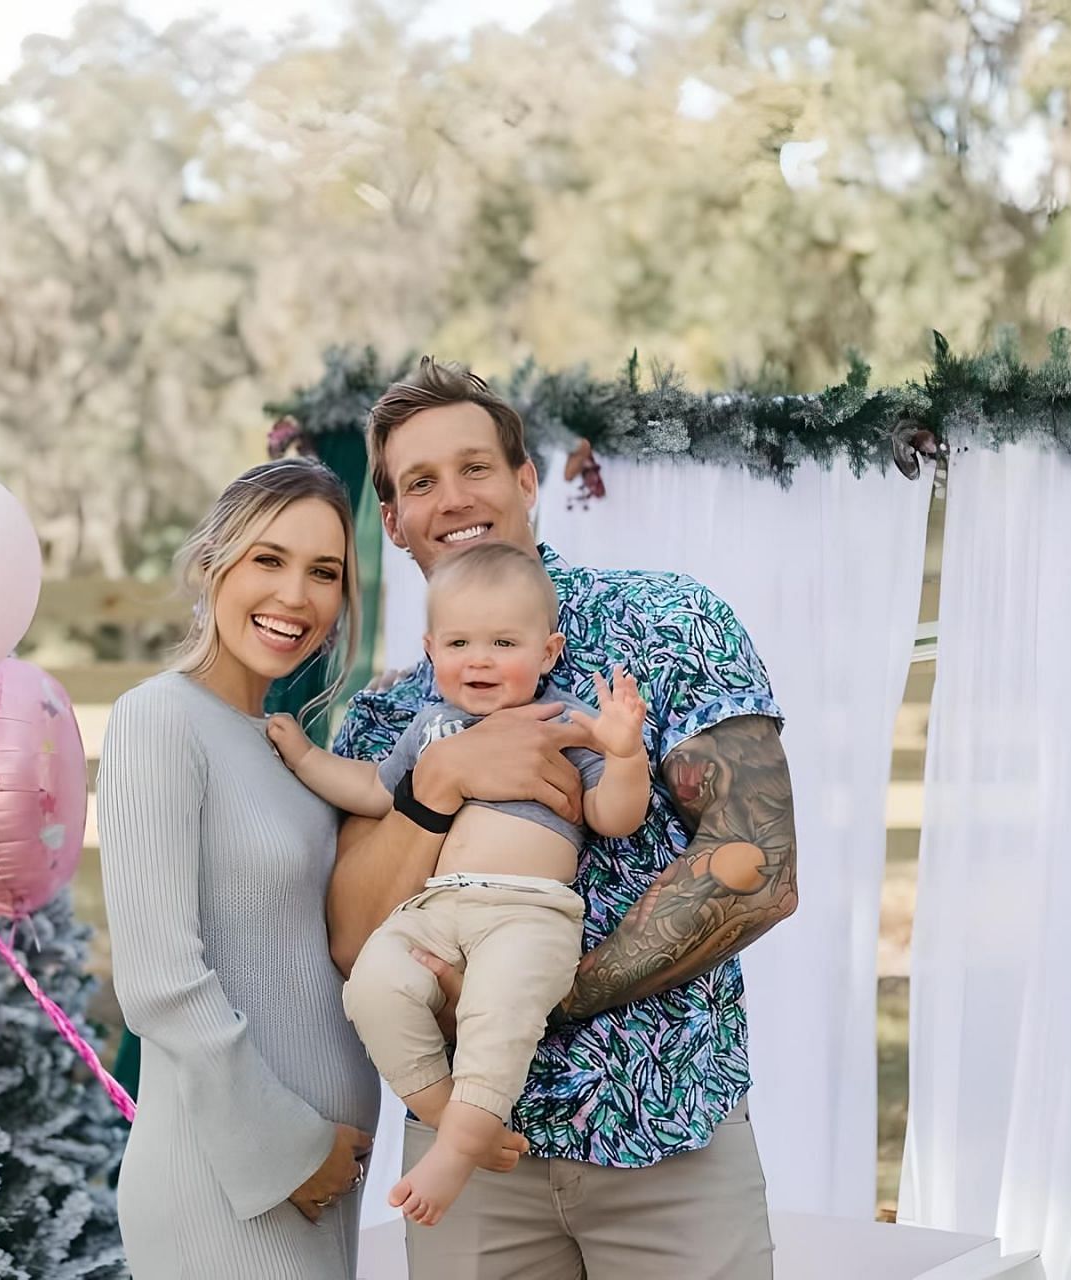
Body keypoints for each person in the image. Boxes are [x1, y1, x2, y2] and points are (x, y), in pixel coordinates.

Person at [327, 358, 798, 1279]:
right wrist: (442, 779)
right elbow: (353, 937)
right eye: (420, 482)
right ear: (392, 521)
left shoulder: (666, 622)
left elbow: (759, 861)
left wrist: (544, 989)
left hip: (664, 1125)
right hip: (467, 1162)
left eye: (476, 468)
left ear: (526, 482)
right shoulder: (388, 714)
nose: (453, 498)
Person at [267, 540, 650, 1227]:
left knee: (496, 1014)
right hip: (436, 908)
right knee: (374, 988)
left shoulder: (563, 724)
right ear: (431, 649)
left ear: (548, 653)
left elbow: (614, 817)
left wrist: (622, 753)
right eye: (460, 641)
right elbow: (373, 791)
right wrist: (302, 754)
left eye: (504, 642)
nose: (479, 658)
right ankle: (454, 1118)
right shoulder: (428, 725)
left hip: (528, 913)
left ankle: (451, 1154)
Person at [97, 458, 383, 1280]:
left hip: (320, 1181)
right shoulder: (158, 720)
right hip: (228, 1180)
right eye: (269, 559)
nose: (296, 596)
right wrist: (289, 1150)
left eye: (323, 573)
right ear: (213, 562)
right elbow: (159, 979)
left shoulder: (287, 751)